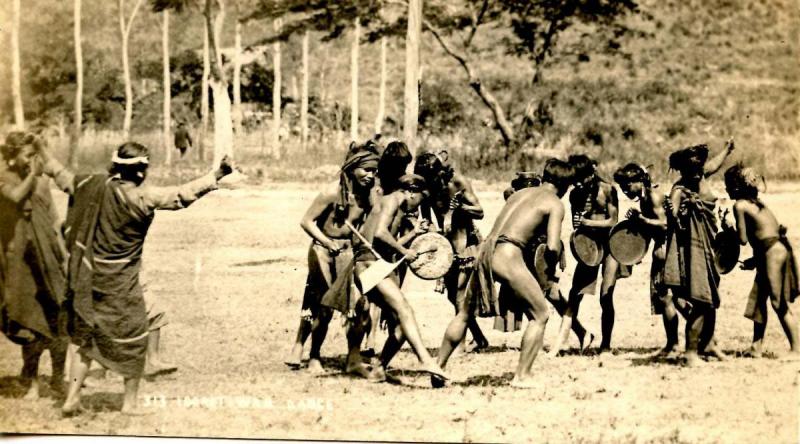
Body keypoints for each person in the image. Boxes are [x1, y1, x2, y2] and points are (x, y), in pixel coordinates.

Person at [43, 141, 233, 416]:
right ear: (142, 171)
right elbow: (181, 195)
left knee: (86, 340)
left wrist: (43, 153)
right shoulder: (143, 198)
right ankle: (129, 404)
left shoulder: (96, 186)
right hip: (122, 280)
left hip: (91, 276)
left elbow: (63, 177)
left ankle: (72, 399)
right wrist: (216, 175)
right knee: (134, 338)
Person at [434, 159, 574, 388]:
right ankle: (522, 376)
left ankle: (438, 367)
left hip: (484, 251)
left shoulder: (521, 193)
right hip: (508, 254)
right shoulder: (555, 203)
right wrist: (551, 264)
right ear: (566, 185)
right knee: (540, 314)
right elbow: (551, 247)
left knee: (464, 314)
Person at [323, 174, 449, 383]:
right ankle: (425, 359)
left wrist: (413, 234)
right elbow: (381, 233)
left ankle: (379, 369)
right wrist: (403, 250)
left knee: (400, 327)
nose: (419, 205)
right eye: (420, 199)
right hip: (368, 265)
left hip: (375, 264)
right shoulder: (392, 201)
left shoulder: (393, 204)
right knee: (405, 310)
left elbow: (380, 238)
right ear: (410, 192)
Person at [285, 142, 380, 375]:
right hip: (323, 250)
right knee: (323, 307)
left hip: (349, 252)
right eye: (366, 170)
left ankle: (353, 359)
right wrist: (328, 243)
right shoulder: (331, 192)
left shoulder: (368, 195)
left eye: (374, 171)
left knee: (361, 306)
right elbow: (306, 221)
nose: (370, 176)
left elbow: (372, 222)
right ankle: (313, 356)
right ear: (352, 167)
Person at [0, 132, 68, 400]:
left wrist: (63, 254)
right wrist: (34, 176)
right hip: (18, 260)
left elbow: (52, 218)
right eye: (27, 156)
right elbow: (15, 196)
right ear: (13, 156)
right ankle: (32, 382)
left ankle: (58, 378)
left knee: (56, 315)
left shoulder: (39, 182)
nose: (32, 161)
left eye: (35, 155)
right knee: (29, 320)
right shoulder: (4, 176)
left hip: (46, 258)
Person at [492, 171, 592, 352]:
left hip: (542, 254)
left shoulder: (546, 201)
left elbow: (552, 240)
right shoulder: (518, 197)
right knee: (541, 298)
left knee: (548, 297)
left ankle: (570, 335)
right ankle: (579, 332)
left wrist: (553, 261)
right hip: (522, 254)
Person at [663, 140, 735, 366]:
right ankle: (691, 352)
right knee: (701, 301)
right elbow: (672, 216)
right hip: (692, 251)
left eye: (698, 172)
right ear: (683, 171)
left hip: (710, 247)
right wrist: (676, 212)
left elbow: (714, 164)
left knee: (710, 299)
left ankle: (708, 345)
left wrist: (727, 148)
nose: (696, 176)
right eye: (691, 173)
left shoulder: (701, 175)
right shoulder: (679, 190)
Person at [551, 155, 631, 355]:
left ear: (592, 172)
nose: (578, 183)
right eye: (575, 180)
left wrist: (589, 223)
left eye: (582, 178)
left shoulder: (608, 189)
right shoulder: (575, 194)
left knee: (606, 296)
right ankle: (560, 343)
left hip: (610, 247)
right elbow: (577, 224)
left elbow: (613, 221)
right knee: (574, 295)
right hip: (590, 248)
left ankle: (605, 346)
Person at [414, 151, 489, 352]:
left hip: (466, 243)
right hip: (446, 246)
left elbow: (480, 211)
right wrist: (427, 230)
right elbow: (427, 219)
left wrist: (458, 209)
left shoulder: (457, 182)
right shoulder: (426, 189)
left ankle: (460, 345)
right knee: (452, 297)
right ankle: (480, 339)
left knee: (459, 296)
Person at [723, 164, 799, 359]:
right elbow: (764, 235)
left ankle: (797, 349)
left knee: (777, 301)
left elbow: (743, 239)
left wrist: (728, 226)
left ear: (737, 187)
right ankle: (756, 347)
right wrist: (755, 261)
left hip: (772, 253)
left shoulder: (739, 205)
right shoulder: (757, 202)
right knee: (759, 301)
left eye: (728, 185)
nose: (726, 189)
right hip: (773, 251)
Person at [614, 163, 683, 356]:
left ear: (639, 181)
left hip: (668, 251)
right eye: (622, 186)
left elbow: (665, 225)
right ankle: (686, 340)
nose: (624, 190)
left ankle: (676, 344)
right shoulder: (644, 200)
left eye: (627, 185)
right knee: (671, 300)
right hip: (661, 251)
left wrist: (641, 220)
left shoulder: (653, 196)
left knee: (667, 298)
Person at [363, 140, 414, 358]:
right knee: (372, 297)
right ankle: (370, 339)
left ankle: (374, 341)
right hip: (376, 245)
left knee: (391, 294)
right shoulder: (376, 185)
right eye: (401, 166)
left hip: (396, 241)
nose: (403, 171)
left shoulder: (400, 184)